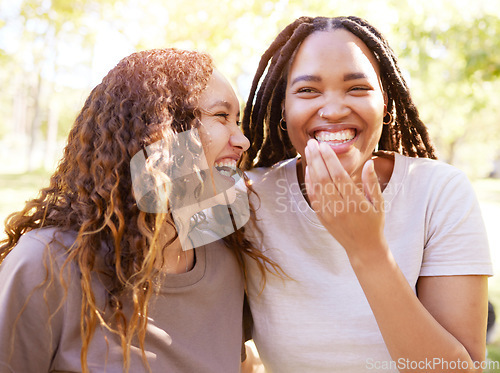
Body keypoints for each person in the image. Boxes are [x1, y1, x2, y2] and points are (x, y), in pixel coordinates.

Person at [241, 16, 493, 372]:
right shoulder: (249, 197)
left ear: (386, 104)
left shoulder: (440, 191)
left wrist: (367, 250)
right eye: (308, 91)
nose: (333, 110)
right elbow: (148, 212)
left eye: (357, 88)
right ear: (284, 108)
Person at [0, 48, 275, 373]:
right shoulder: (46, 264)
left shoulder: (225, 257)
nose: (242, 139)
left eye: (238, 120)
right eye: (221, 116)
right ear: (161, 132)